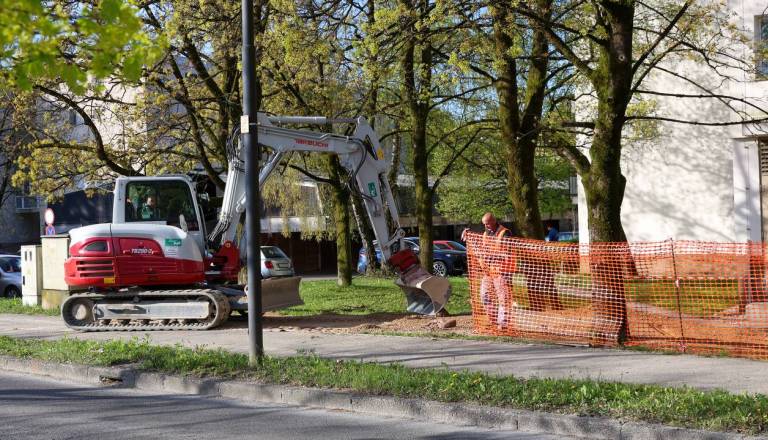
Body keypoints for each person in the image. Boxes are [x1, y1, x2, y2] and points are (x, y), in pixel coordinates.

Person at [462, 212, 514, 329]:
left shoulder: (505, 233)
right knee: (485, 295)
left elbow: (507, 254)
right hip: (489, 271)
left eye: (488, 224)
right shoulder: (486, 234)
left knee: (503, 298)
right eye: (484, 224)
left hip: (503, 271)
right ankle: (493, 319)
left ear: (494, 221)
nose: (486, 226)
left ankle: (504, 323)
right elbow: (483, 247)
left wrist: (490, 256)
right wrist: (469, 235)